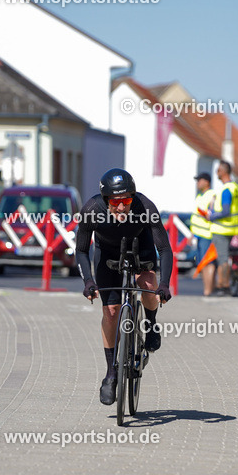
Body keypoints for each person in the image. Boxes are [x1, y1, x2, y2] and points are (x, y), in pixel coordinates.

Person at [76, 169, 173, 405]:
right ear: (106, 200)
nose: (122, 208)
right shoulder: (92, 210)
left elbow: (165, 250)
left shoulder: (145, 208)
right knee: (110, 312)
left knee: (148, 284)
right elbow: (80, 250)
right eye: (116, 202)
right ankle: (111, 374)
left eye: (127, 201)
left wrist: (164, 285)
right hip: (107, 253)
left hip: (141, 247)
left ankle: (150, 325)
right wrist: (88, 280)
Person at [202, 161, 238, 296]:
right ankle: (226, 285)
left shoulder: (226, 190)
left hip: (222, 230)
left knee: (223, 260)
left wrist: (212, 217)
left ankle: (224, 286)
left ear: (224, 171)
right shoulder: (234, 187)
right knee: (228, 259)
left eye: (218, 170)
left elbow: (225, 211)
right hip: (232, 229)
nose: (217, 173)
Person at [189, 172, 216, 296]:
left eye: (199, 180)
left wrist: (206, 214)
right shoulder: (200, 195)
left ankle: (208, 291)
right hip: (199, 234)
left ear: (206, 182)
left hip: (207, 235)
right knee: (202, 263)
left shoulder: (212, 195)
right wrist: (191, 234)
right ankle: (208, 289)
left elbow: (212, 213)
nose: (197, 183)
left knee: (207, 263)